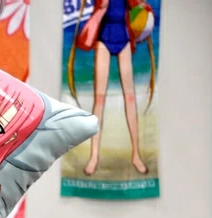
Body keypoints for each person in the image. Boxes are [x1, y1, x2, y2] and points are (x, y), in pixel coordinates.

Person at [67, 0, 156, 176]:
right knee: (99, 99)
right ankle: (94, 156)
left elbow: (139, 7)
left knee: (130, 97)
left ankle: (136, 155)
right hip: (103, 39)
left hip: (124, 38)